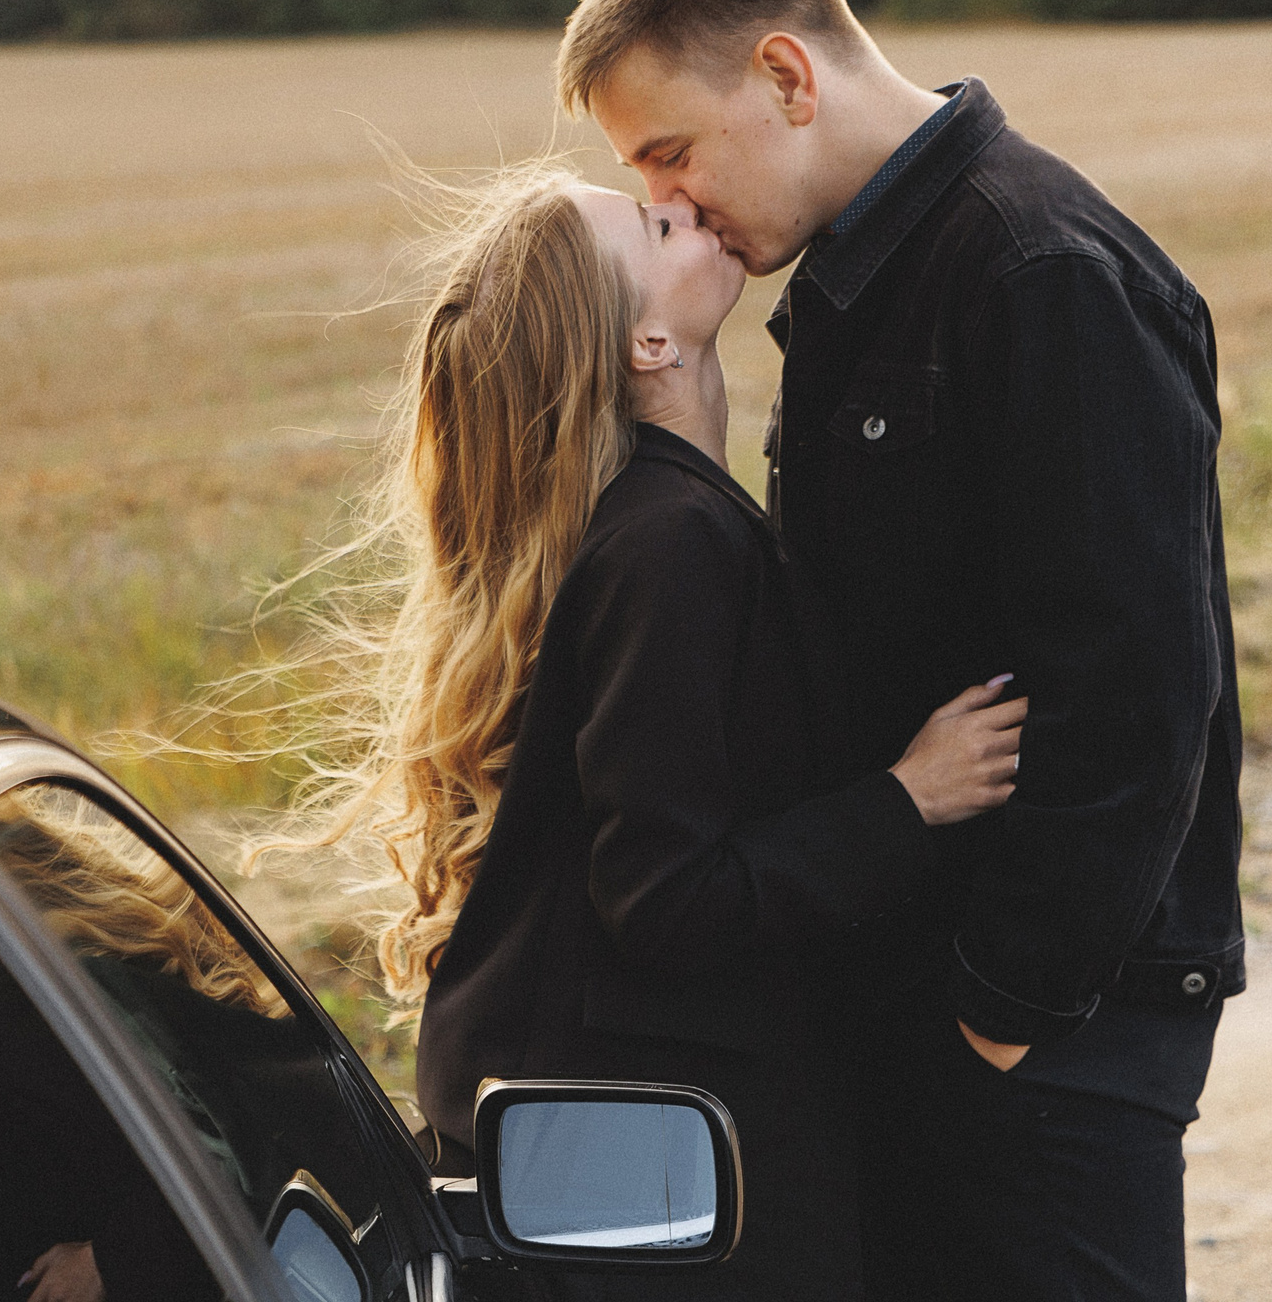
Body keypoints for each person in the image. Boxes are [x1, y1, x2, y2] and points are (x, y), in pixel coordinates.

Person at [554, 0, 1244, 1302]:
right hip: (925, 999)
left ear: (787, 77)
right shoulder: (861, 282)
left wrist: (1003, 1011)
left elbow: (1141, 694)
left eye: (671, 154)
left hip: (1051, 1031)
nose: (672, 205)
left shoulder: (1038, 271)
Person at [263, 159, 1022, 1298]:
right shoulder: (668, 544)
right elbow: (664, 897)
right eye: (660, 226)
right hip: (647, 1182)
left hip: (596, 1156)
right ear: (647, 348)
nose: (696, 210)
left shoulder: (657, 520)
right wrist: (903, 801)